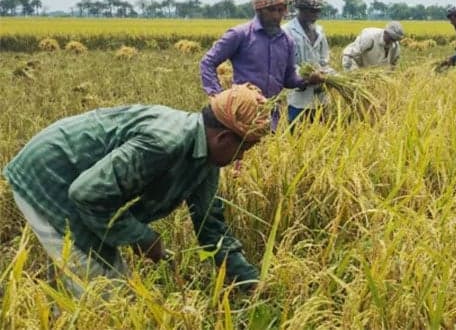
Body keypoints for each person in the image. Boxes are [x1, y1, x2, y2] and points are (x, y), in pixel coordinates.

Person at [2, 84, 270, 297]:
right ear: (222, 137)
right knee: (107, 291)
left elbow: (211, 228)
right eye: (243, 148)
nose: (241, 159)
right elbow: (87, 194)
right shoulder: (165, 143)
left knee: (83, 275)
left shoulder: (206, 160)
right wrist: (141, 237)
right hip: (51, 173)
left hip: (78, 180)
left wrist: (248, 280)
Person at [200, 0, 324, 129]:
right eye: (271, 10)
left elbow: (289, 79)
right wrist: (217, 96)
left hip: (272, 115)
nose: (277, 16)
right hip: (243, 112)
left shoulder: (286, 41)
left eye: (281, 10)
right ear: (259, 10)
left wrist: (308, 80)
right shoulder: (240, 34)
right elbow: (208, 62)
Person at [283, 0, 332, 123]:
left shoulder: (320, 31)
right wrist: (306, 76)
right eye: (312, 11)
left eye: (318, 11)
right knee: (297, 134)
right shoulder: (287, 31)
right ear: (301, 10)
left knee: (321, 133)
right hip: (299, 95)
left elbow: (324, 59)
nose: (316, 15)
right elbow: (286, 64)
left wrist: (326, 74)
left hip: (320, 95)